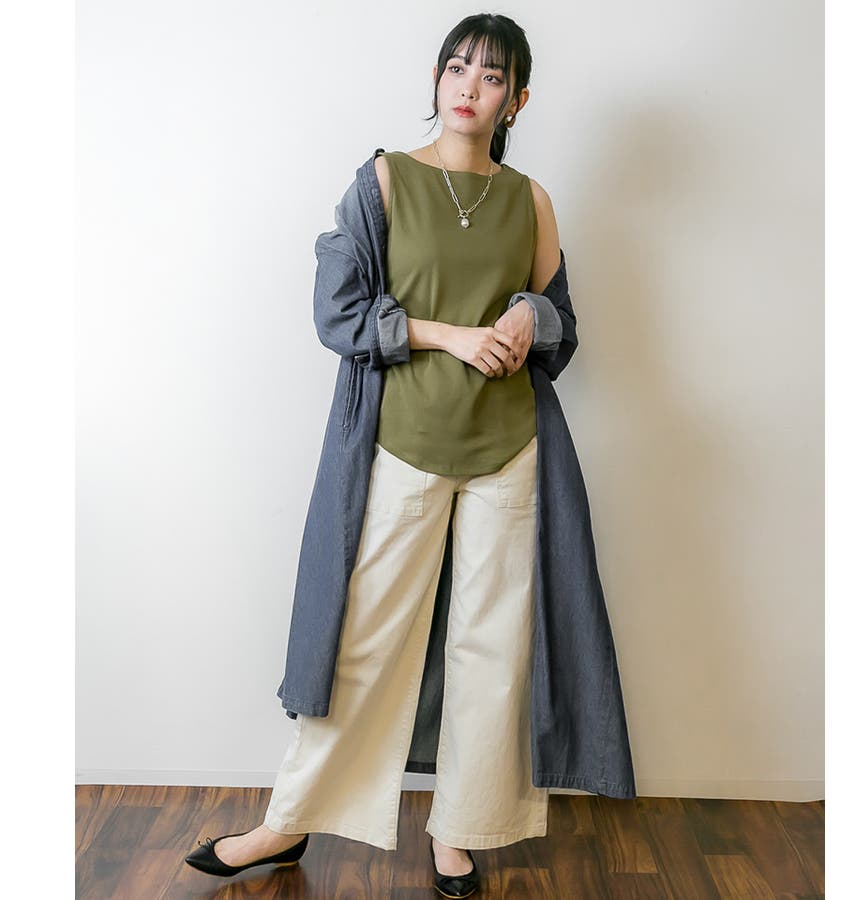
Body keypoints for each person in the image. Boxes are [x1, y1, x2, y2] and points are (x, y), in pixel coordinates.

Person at [185, 13, 621, 898]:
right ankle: (287, 823)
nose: (469, 87)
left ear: (516, 99)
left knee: (491, 653)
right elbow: (338, 309)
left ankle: (460, 833)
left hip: (510, 450)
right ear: (435, 77)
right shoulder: (385, 180)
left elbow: (561, 322)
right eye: (457, 68)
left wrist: (526, 316)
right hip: (403, 441)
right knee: (365, 640)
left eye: (491, 77)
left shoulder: (531, 200)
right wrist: (448, 335)